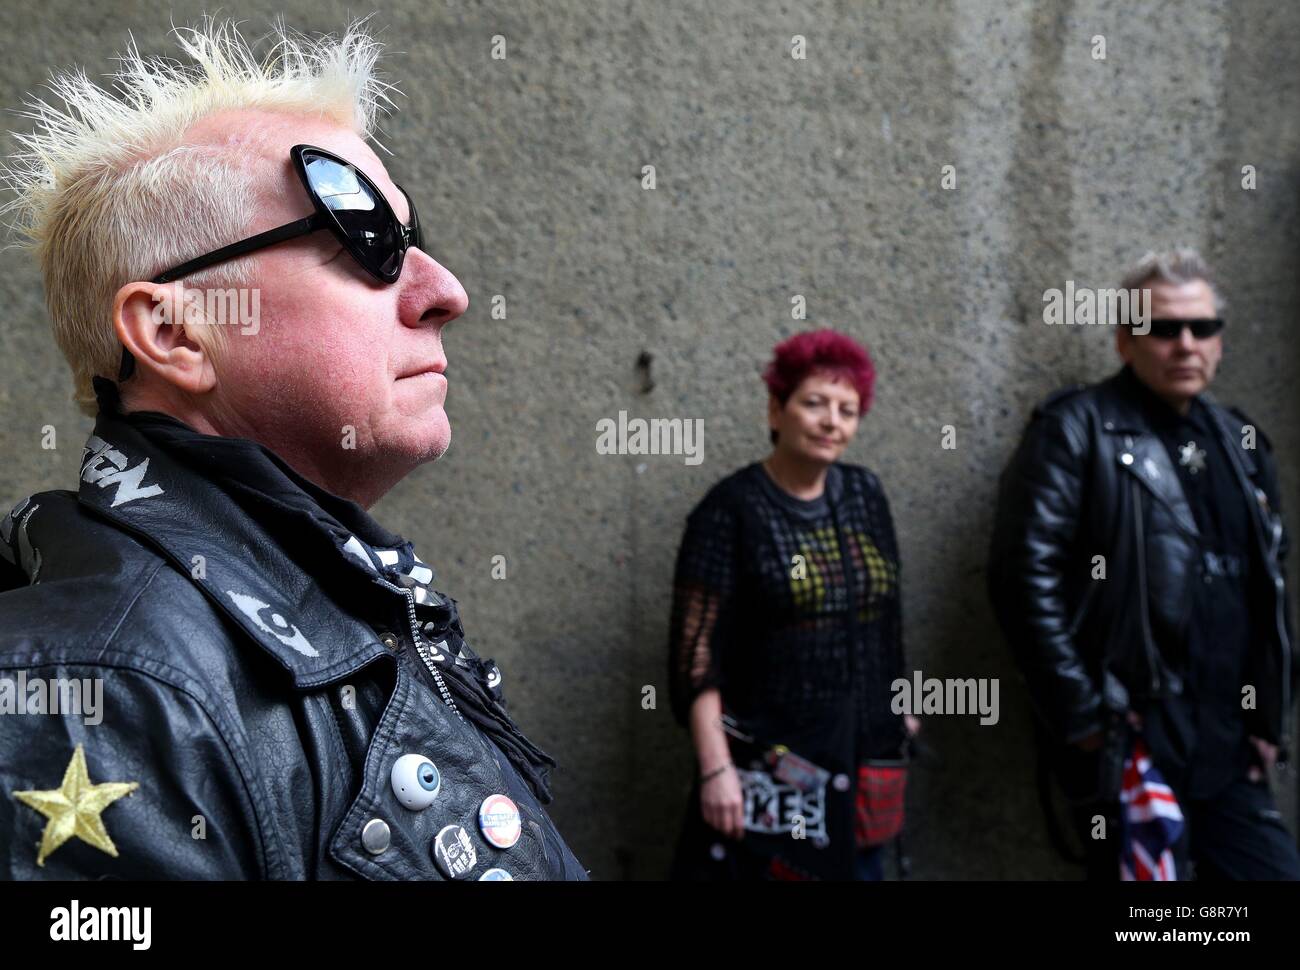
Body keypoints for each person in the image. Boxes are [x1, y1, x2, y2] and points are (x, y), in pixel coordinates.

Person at [0, 19, 587, 880]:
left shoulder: (341, 607)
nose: (444, 292)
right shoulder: (108, 698)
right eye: (364, 239)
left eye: (414, 239)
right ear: (175, 332)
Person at [988, 249, 1300, 880]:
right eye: (1163, 328)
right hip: (1131, 734)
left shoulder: (1241, 443)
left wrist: (1268, 715)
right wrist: (1082, 717)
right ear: (1126, 340)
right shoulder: (1076, 430)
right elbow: (1023, 578)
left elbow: (1270, 586)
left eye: (1202, 328)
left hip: (1228, 741)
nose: (1186, 345)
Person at [667, 328, 918, 881]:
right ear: (777, 409)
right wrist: (715, 771)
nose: (833, 421)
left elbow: (887, 620)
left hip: (867, 753)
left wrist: (902, 705)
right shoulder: (729, 511)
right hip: (771, 766)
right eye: (815, 403)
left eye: (848, 410)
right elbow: (695, 657)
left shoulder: (865, 493)